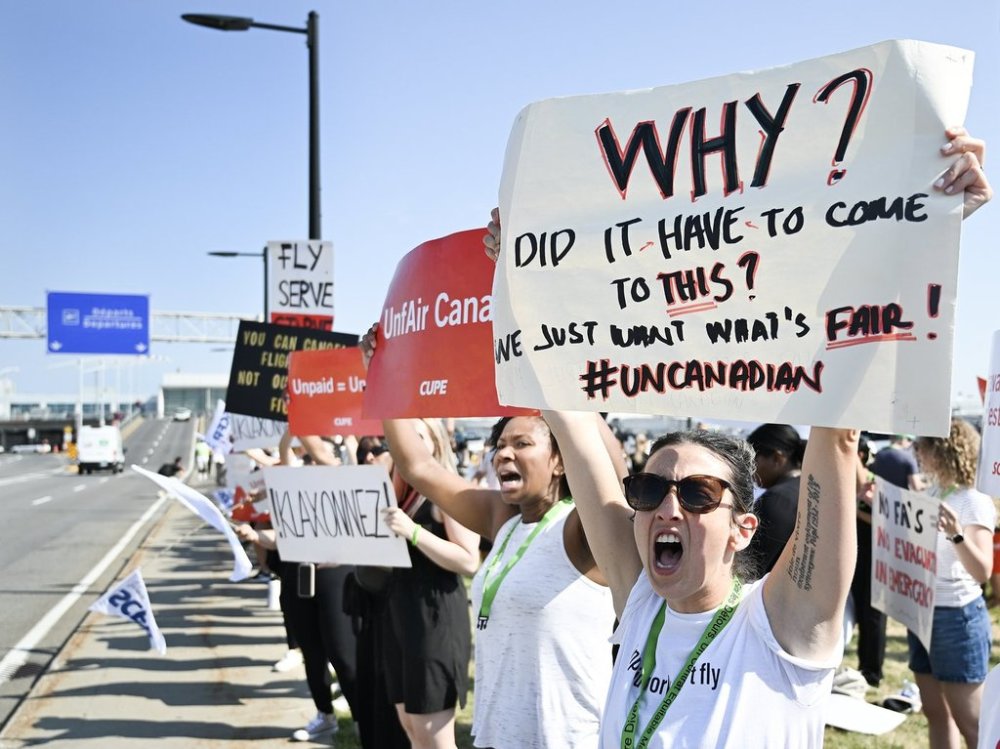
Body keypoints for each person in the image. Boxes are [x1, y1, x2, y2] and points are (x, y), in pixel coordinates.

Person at [483, 126, 991, 747]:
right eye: (649, 490)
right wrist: (519, 276)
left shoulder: (783, 627)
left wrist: (925, 227)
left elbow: (834, 433)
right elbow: (567, 413)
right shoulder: (641, 600)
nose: (668, 506)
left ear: (743, 528)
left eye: (698, 494)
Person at [362, 331, 625, 749]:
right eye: (499, 446)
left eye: (522, 444)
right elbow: (416, 465)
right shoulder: (501, 517)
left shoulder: (581, 530)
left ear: (559, 460)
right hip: (496, 734)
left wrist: (567, 377)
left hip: (567, 737)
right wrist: (382, 377)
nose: (503, 454)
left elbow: (614, 477)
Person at [379, 418, 479, 749]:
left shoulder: (447, 489)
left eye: (416, 436)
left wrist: (414, 532)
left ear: (435, 444)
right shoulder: (393, 492)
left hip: (434, 620)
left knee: (433, 735)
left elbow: (469, 560)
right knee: (410, 725)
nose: (403, 443)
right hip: (399, 615)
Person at [910, 418, 996, 749]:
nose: (916, 452)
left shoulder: (973, 501)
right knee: (936, 712)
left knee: (971, 723)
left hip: (955, 618)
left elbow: (982, 571)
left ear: (943, 449)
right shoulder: (932, 492)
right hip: (921, 610)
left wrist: (956, 534)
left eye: (921, 446)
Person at [744, 423, 804, 575]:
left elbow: (753, 566)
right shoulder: (810, 488)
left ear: (777, 458)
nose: (750, 470)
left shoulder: (777, 499)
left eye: (753, 461)